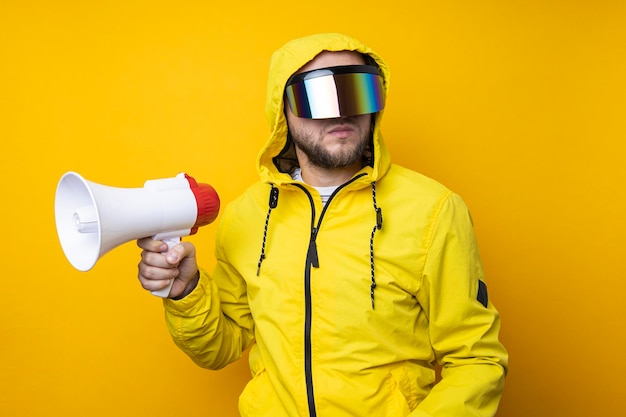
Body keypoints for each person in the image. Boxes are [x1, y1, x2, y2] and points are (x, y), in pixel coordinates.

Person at [137, 32, 508, 417]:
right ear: (283, 111)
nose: (340, 112)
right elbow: (219, 347)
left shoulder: (434, 209)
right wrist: (187, 292)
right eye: (318, 96)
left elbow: (476, 359)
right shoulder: (245, 216)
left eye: (356, 91)